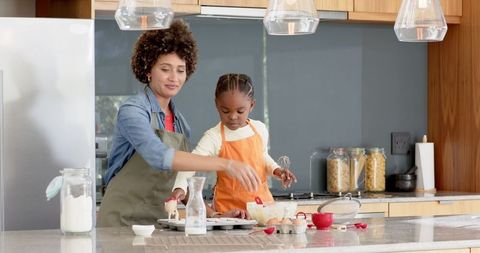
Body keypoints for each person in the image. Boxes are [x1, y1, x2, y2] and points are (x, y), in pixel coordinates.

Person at [98, 21, 261, 227]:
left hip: (158, 223)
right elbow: (158, 156)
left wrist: (214, 214)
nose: (174, 78)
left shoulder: (180, 123)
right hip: (119, 222)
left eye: (181, 70)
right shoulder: (133, 111)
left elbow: (179, 182)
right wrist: (225, 163)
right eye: (165, 69)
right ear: (148, 69)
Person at [172, 73, 297, 216]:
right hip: (228, 214)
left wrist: (277, 171)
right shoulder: (214, 137)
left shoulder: (260, 129)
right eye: (225, 111)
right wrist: (180, 187)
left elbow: (262, 157)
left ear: (251, 105)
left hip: (262, 210)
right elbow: (191, 162)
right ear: (216, 105)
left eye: (240, 111)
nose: (232, 116)